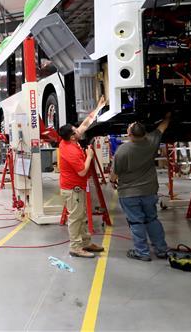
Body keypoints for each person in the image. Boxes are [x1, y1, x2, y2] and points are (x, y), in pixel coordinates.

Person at [110, 113, 171, 262]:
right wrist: (168, 117)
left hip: (129, 194)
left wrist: (112, 181)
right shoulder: (151, 141)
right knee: (152, 220)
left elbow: (114, 174)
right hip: (149, 191)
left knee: (136, 222)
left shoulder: (122, 151)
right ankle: (162, 250)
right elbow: (162, 128)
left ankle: (142, 252)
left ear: (129, 134)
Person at [57, 95, 108, 259]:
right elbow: (82, 172)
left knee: (82, 216)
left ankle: (85, 242)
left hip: (77, 188)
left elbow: (86, 122)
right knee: (75, 218)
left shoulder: (69, 140)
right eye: (75, 130)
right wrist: (89, 156)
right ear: (72, 137)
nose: (78, 129)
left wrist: (99, 107)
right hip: (73, 189)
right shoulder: (70, 151)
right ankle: (75, 247)